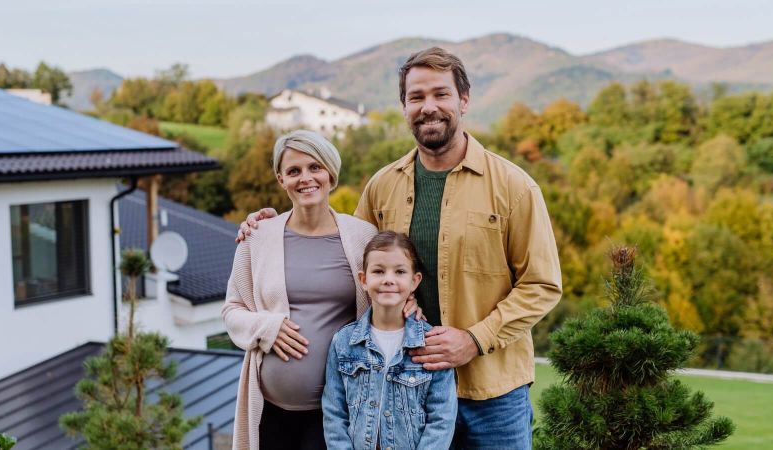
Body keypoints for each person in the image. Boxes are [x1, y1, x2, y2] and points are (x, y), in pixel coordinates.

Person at [238, 47, 562, 449]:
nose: (429, 107)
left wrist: (474, 339)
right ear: (404, 107)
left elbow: (542, 285)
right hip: (400, 393)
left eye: (440, 94)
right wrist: (272, 225)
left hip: (491, 393)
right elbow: (345, 258)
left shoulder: (514, 187)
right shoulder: (382, 186)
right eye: (417, 97)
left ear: (464, 99)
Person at [222, 130, 421, 450]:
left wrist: (409, 306)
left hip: (339, 411)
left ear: (331, 174)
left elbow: (388, 288)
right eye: (293, 171)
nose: (305, 178)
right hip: (271, 410)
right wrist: (266, 326)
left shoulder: (362, 236)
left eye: (315, 167)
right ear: (280, 179)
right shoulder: (258, 236)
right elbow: (232, 309)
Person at [323, 231, 457, 449]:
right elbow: (334, 412)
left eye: (400, 272)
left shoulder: (431, 343)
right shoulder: (344, 342)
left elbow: (442, 419)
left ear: (415, 281)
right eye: (378, 271)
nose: (388, 279)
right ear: (363, 280)